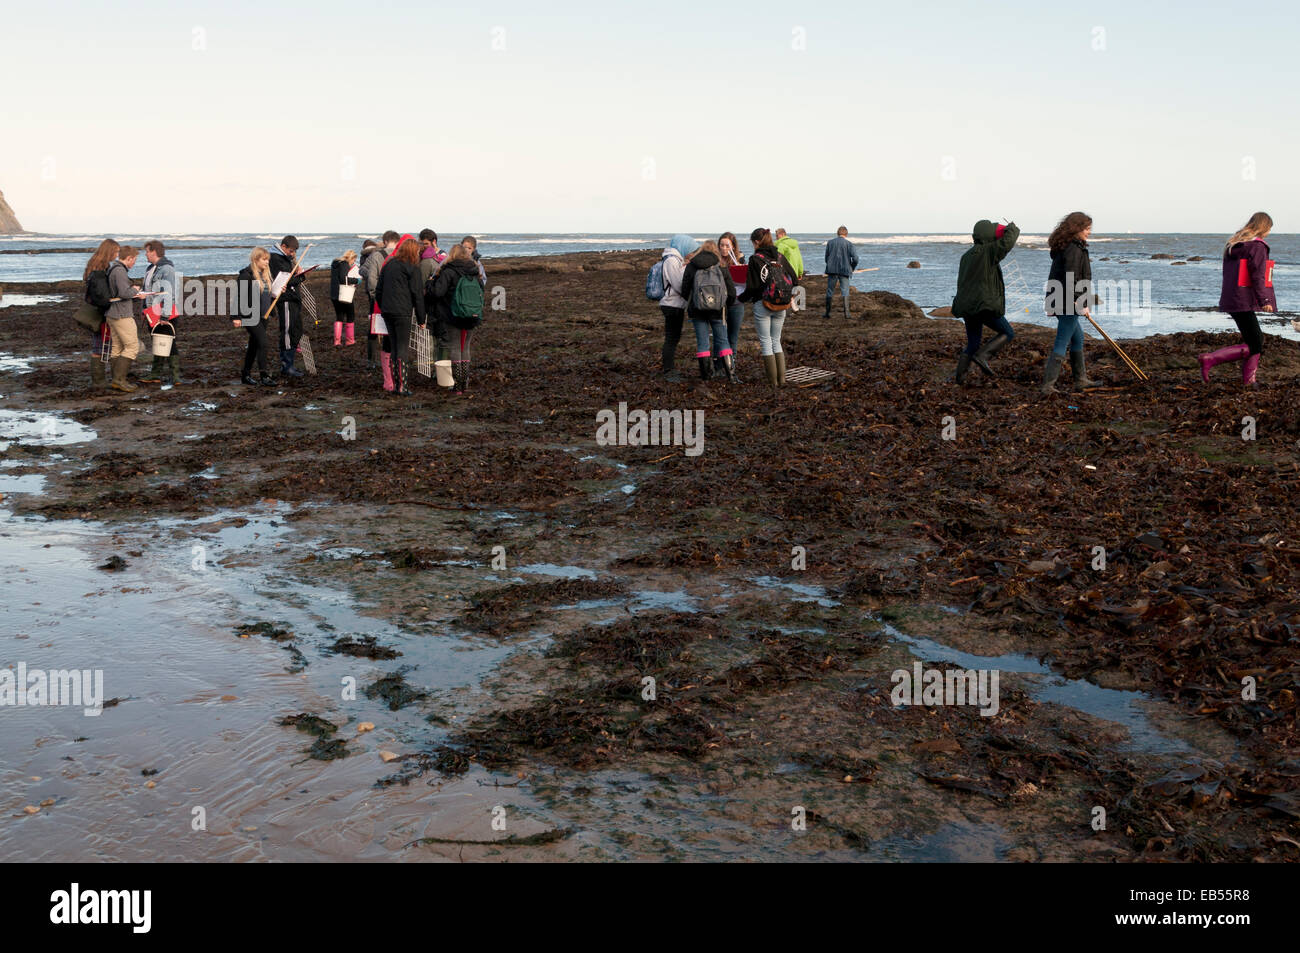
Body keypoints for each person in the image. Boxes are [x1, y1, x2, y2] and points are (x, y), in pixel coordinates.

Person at [1200, 212, 1276, 386]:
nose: (1269, 233)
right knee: (1256, 343)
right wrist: (1265, 301)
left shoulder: (1234, 244)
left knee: (1254, 341)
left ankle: (1249, 381)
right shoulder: (1257, 247)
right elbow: (1258, 276)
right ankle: (1210, 359)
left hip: (1232, 298)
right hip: (1243, 300)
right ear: (1264, 227)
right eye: (1269, 229)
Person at [950, 220, 1020, 384]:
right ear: (989, 235)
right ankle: (983, 356)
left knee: (973, 342)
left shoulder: (966, 256)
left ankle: (960, 379)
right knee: (1008, 333)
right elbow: (1008, 242)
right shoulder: (988, 252)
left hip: (967, 306)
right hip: (983, 306)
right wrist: (1012, 227)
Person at [1041, 212, 1102, 395]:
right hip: (1066, 300)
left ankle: (1081, 380)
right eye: (1087, 228)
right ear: (1077, 228)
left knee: (1078, 338)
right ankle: (1047, 386)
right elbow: (1071, 278)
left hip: (1061, 298)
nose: (1089, 232)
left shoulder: (1068, 246)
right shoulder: (1073, 248)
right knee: (1062, 340)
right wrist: (1079, 301)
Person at [739, 228, 798, 389]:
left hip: (762, 304)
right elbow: (794, 279)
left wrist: (740, 299)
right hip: (782, 304)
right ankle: (782, 380)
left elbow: (752, 287)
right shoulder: (779, 256)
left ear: (756, 242)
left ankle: (773, 382)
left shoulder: (755, 259)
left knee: (766, 342)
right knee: (776, 341)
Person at [431, 243, 486, 395]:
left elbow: (437, 292)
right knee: (465, 347)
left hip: (453, 314)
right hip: (472, 314)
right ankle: (465, 383)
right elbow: (482, 289)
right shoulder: (475, 270)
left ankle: (458, 386)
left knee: (455, 347)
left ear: (452, 254)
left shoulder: (448, 271)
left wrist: (431, 282)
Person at [374, 237, 426, 396]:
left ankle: (397, 385)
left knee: (395, 347)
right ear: (413, 251)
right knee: (402, 348)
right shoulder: (412, 267)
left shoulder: (389, 264)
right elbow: (417, 294)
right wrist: (421, 318)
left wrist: (384, 307)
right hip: (402, 312)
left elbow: (379, 290)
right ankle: (402, 386)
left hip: (388, 311)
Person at [680, 240, 737, 381]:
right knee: (723, 341)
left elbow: (684, 290)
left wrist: (693, 300)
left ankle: (706, 377)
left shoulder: (692, 266)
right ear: (715, 251)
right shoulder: (721, 265)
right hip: (718, 310)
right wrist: (725, 305)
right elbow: (731, 292)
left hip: (697, 311)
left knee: (702, 343)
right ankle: (732, 376)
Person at [104, 245, 151, 393]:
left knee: (117, 347)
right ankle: (119, 380)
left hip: (112, 313)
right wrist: (135, 290)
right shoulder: (119, 271)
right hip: (122, 315)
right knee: (132, 347)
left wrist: (135, 296)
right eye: (134, 260)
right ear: (129, 258)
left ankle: (116, 380)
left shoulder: (113, 269)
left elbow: (118, 294)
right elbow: (124, 293)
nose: (134, 263)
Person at [658, 234, 700, 381]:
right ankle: (668, 370)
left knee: (674, 337)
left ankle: (670, 369)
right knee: (671, 338)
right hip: (671, 304)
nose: (691, 253)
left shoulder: (675, 259)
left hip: (674, 304)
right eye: (691, 250)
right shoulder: (671, 261)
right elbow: (678, 285)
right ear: (684, 246)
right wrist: (686, 270)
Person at [232, 247, 275, 386]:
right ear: (256, 259)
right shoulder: (246, 275)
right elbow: (239, 297)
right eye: (264, 259)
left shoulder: (266, 274)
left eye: (268, 259)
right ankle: (264, 376)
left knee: (254, 345)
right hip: (250, 315)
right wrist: (236, 317)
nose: (267, 262)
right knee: (263, 343)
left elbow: (269, 295)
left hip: (264, 315)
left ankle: (246, 375)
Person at [140, 240, 180, 387]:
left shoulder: (166, 269)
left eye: (147, 251)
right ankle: (156, 374)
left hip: (163, 313)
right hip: (152, 312)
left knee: (169, 343)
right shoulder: (150, 268)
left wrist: (165, 315)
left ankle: (176, 377)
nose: (145, 254)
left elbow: (168, 292)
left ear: (154, 252)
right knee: (159, 342)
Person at [81, 239, 118, 390]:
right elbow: (102, 296)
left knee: (99, 345)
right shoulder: (100, 271)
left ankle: (99, 381)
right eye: (115, 251)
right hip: (101, 312)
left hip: (95, 310)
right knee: (101, 346)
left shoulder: (93, 266)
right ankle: (99, 381)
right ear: (108, 251)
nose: (117, 254)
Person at [268, 236, 306, 379]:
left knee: (297, 330)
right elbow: (286, 279)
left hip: (293, 298)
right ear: (283, 246)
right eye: (291, 251)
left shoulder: (286, 258)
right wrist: (301, 277)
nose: (292, 254)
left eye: (294, 251)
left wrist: (298, 272)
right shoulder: (276, 258)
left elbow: (291, 276)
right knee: (288, 331)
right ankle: (286, 365)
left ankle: (290, 363)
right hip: (285, 299)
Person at [718, 231, 747, 378]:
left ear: (733, 246)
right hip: (719, 304)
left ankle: (731, 368)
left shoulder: (740, 260)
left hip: (736, 302)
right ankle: (718, 368)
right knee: (720, 336)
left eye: (727, 245)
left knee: (733, 337)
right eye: (722, 245)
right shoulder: (715, 261)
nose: (724, 248)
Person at [418, 229, 449, 361]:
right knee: (440, 336)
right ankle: (438, 365)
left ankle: (432, 364)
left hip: (433, 303)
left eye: (425, 244)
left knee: (433, 335)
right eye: (421, 244)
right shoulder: (445, 256)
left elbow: (422, 283)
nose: (422, 246)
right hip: (442, 303)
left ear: (433, 242)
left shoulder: (430, 260)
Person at [359, 237, 389, 369]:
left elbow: (362, 270)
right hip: (375, 295)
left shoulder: (370, 255)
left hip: (377, 295)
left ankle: (377, 359)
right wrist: (375, 274)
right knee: (375, 328)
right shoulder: (375, 255)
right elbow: (363, 270)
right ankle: (372, 360)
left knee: (379, 327)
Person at [823, 226, 859, 319]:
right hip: (845, 270)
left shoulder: (830, 243)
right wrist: (852, 267)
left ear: (837, 233)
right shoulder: (849, 244)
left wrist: (830, 265)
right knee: (845, 291)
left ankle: (827, 313)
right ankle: (847, 314)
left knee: (830, 291)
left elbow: (826, 258)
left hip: (832, 270)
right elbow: (856, 259)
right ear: (846, 234)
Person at [329, 248, 360, 348]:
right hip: (344, 294)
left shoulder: (335, 264)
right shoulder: (344, 264)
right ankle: (349, 340)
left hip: (334, 294)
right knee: (350, 315)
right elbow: (343, 279)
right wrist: (356, 280)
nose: (353, 263)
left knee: (339, 316)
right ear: (350, 258)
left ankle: (337, 341)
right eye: (353, 260)